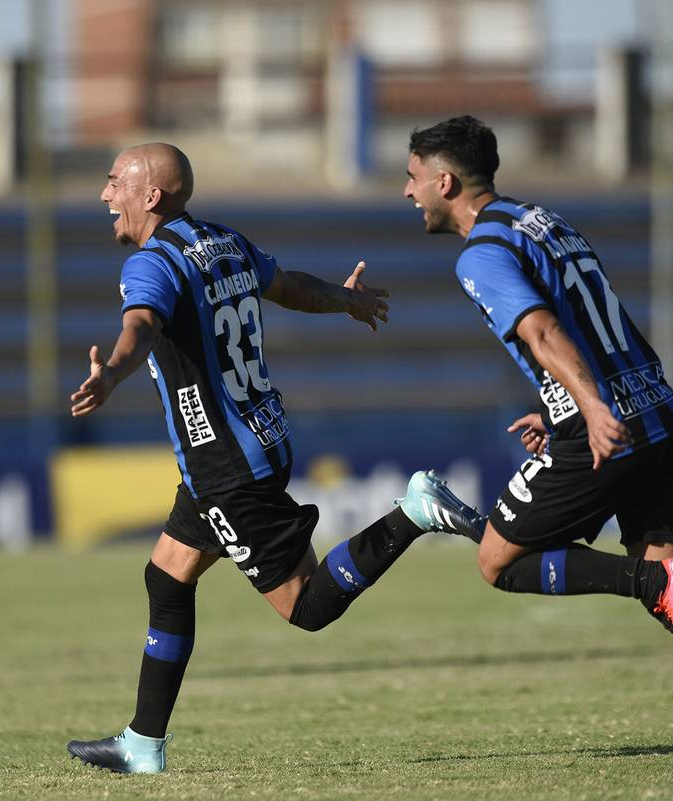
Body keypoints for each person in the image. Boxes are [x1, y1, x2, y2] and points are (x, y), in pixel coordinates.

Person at [402, 115, 673, 771]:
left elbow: (543, 331)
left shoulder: (480, 252)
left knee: (498, 561)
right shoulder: (543, 221)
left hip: (605, 428)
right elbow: (590, 322)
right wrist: (558, 400)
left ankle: (656, 580)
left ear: (444, 182)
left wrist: (587, 407)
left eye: (413, 177)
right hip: (660, 415)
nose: (407, 191)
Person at [64, 143, 482, 774]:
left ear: (151, 196)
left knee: (305, 606)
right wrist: (345, 300)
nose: (105, 194)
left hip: (224, 465)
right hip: (258, 437)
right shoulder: (222, 241)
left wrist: (113, 375)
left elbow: (141, 326)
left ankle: (414, 514)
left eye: (114, 182)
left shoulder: (151, 263)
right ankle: (143, 744)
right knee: (168, 575)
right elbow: (289, 287)